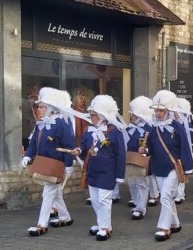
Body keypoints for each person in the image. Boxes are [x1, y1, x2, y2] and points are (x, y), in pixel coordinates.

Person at [21, 88, 77, 236]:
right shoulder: (40, 124)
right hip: (43, 163)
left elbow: (69, 146)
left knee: (48, 194)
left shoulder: (62, 125)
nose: (38, 109)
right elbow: (33, 144)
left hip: (56, 165)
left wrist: (69, 165)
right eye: (38, 106)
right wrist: (27, 156)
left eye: (41, 106)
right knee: (55, 193)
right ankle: (65, 217)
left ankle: (42, 224)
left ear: (50, 108)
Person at [72, 94, 127, 241]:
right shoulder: (89, 131)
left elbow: (121, 155)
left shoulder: (115, 132)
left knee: (104, 200)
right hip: (93, 170)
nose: (91, 117)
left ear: (103, 115)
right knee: (95, 200)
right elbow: (84, 145)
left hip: (107, 172)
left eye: (94, 114)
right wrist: (78, 150)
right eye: (91, 114)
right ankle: (100, 223)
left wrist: (120, 175)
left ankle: (105, 227)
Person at [143, 90, 193, 242]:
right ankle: (175, 223)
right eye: (157, 110)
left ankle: (164, 227)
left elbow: (185, 147)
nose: (158, 113)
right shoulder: (153, 128)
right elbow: (150, 148)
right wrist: (144, 150)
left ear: (168, 111)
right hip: (158, 167)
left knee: (164, 196)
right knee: (169, 198)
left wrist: (188, 167)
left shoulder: (177, 127)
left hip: (173, 167)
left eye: (161, 110)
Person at [125, 96, 153, 220]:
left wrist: (145, 151)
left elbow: (151, 146)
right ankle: (137, 203)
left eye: (133, 115)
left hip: (143, 160)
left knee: (142, 184)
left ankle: (141, 208)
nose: (131, 116)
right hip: (130, 159)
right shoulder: (129, 128)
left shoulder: (149, 129)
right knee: (132, 182)